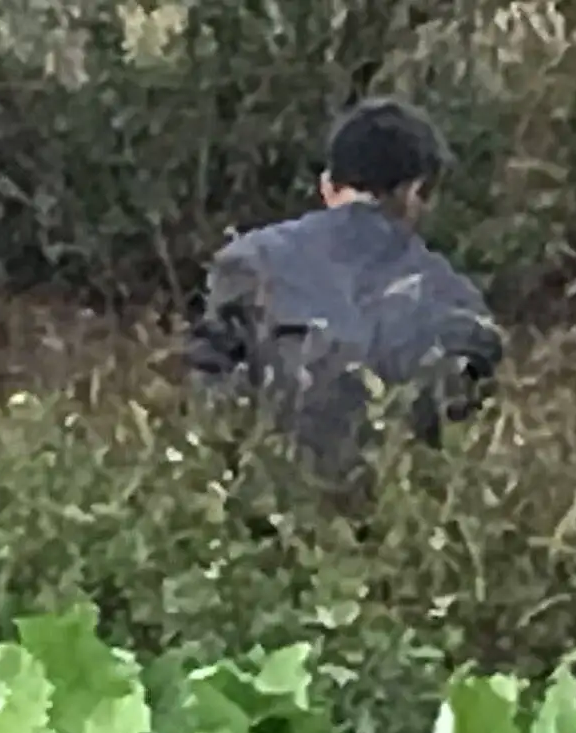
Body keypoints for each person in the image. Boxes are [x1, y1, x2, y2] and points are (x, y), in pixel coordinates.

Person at [182, 99, 502, 493]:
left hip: (261, 521)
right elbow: (463, 451)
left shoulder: (247, 264)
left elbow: (209, 409)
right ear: (419, 191)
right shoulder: (463, 306)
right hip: (394, 524)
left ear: (327, 185)